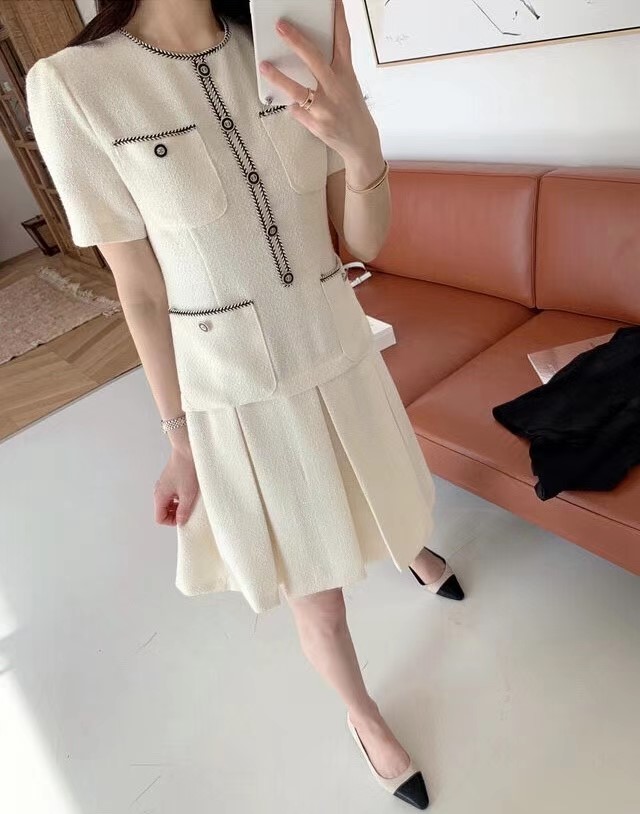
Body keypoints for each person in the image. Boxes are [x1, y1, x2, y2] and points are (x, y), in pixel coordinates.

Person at [26, 1, 465, 808]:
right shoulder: (74, 86)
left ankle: (410, 550)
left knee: (385, 493)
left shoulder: (288, 44)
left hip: (340, 351)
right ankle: (364, 717)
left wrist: (364, 149)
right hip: (237, 390)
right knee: (315, 593)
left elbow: (363, 241)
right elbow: (140, 289)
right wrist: (180, 440)